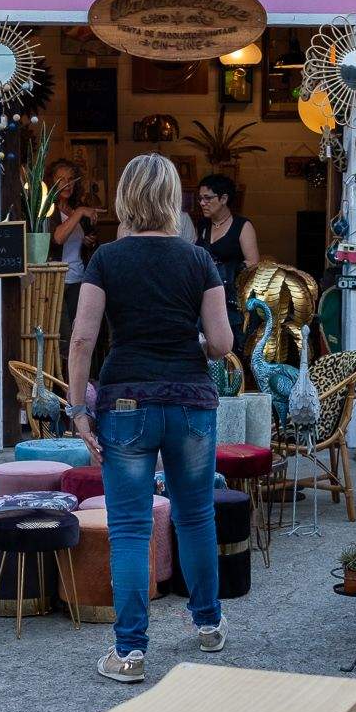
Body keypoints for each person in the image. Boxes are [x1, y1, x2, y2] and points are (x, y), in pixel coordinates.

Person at [67, 153, 235, 684]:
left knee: (132, 528)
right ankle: (208, 624)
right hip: (190, 401)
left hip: (125, 403)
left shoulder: (107, 260)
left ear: (125, 197)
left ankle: (131, 652)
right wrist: (194, 341)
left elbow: (82, 340)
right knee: (196, 516)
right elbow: (224, 344)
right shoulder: (199, 259)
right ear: (171, 198)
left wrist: (76, 408)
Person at [193, 174, 258, 349]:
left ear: (224, 198)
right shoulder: (203, 225)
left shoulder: (242, 226)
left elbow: (253, 264)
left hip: (232, 303)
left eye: (207, 198)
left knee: (231, 349)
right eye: (200, 198)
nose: (202, 203)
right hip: (205, 298)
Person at [49, 159, 101, 343]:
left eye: (71, 179)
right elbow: (57, 238)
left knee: (80, 336)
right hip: (57, 282)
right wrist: (79, 212)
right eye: (61, 179)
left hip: (79, 278)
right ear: (51, 181)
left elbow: (77, 243)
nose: (67, 184)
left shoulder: (74, 208)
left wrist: (87, 241)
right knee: (63, 337)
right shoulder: (47, 209)